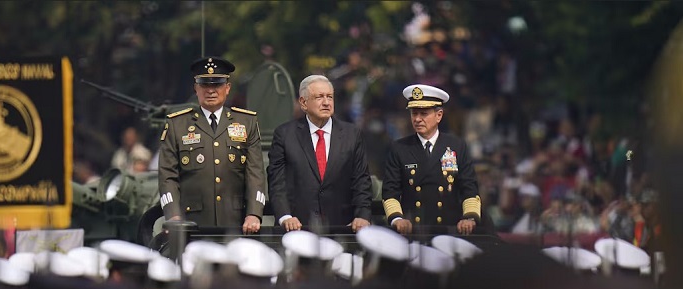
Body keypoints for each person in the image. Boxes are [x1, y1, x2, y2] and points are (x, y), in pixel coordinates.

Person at [158, 56, 265, 234]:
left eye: (217, 84)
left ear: (227, 88)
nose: (211, 91)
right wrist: (173, 216)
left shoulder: (246, 122)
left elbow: (255, 174)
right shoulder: (177, 124)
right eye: (205, 85)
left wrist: (254, 214)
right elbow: (167, 176)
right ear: (196, 88)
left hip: (236, 222)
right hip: (190, 224)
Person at [267, 74, 372, 232]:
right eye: (319, 97)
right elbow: (277, 183)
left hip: (342, 228)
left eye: (330, 97)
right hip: (297, 228)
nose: (326, 102)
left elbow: (361, 181)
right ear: (303, 102)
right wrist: (285, 216)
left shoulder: (352, 134)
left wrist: (362, 215)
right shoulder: (285, 134)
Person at [382, 84, 481, 235]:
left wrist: (469, 218)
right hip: (412, 232)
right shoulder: (399, 148)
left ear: (439, 115)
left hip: (449, 231)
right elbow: (390, 192)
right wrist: (397, 219)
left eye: (423, 114)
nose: (417, 119)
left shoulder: (456, 146)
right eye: (414, 114)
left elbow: (469, 188)